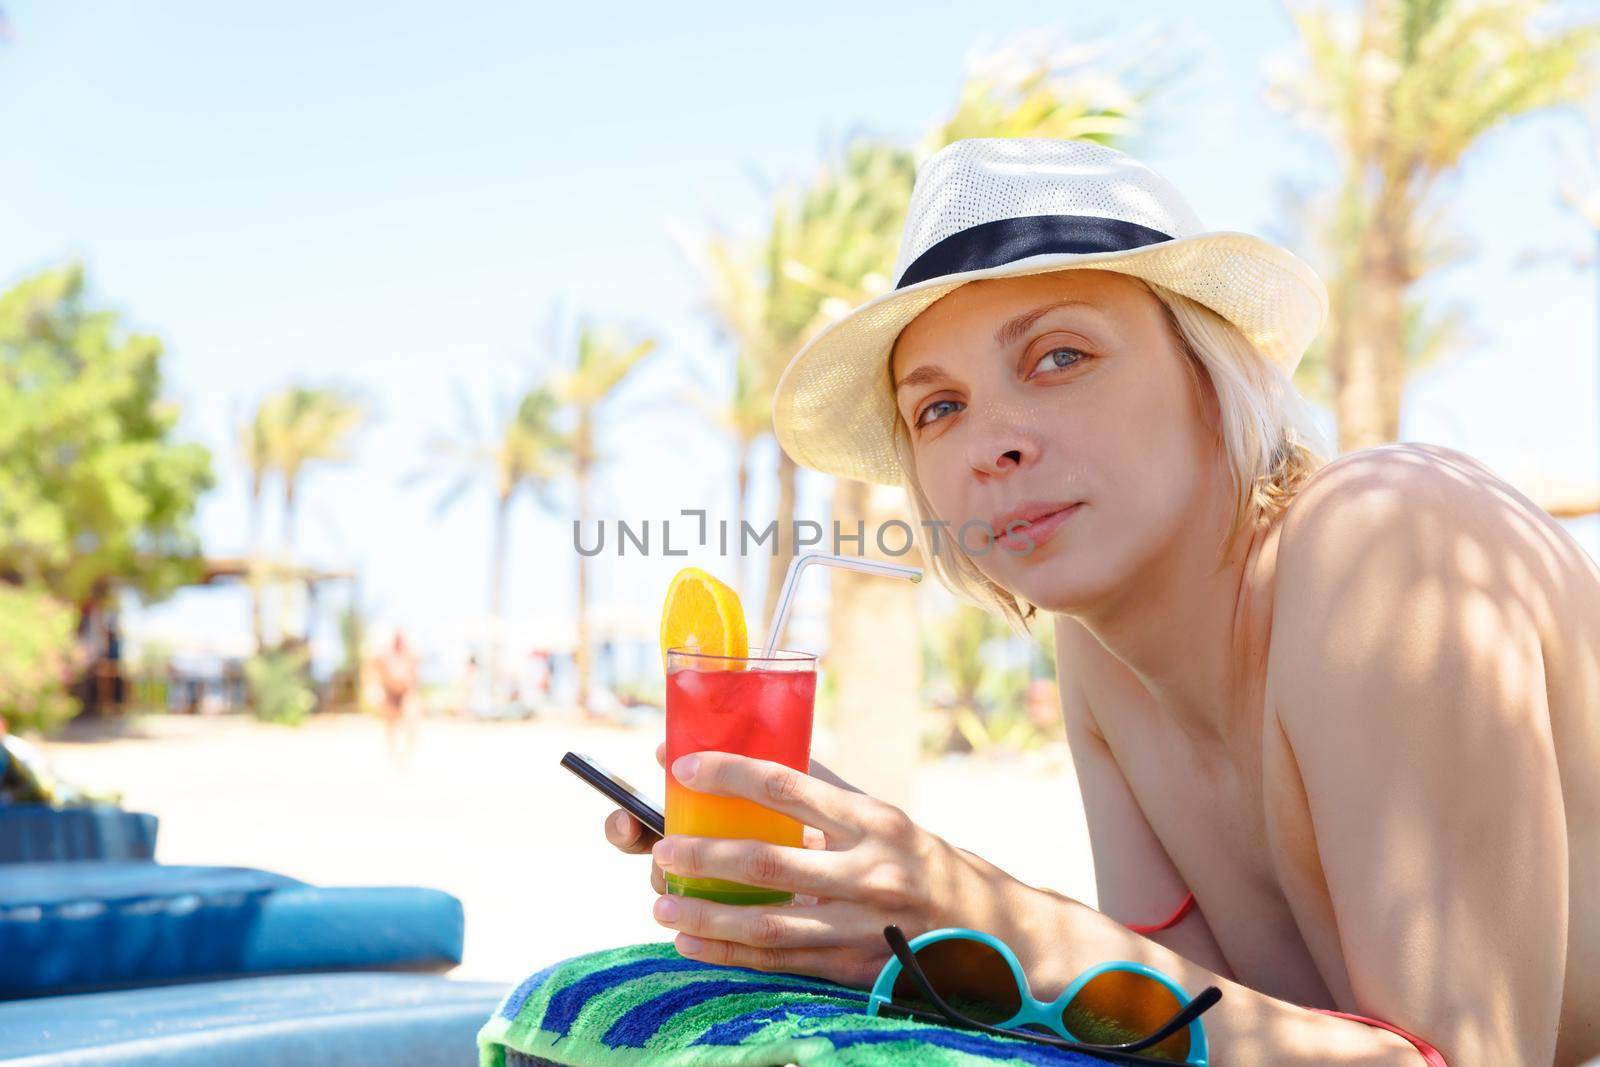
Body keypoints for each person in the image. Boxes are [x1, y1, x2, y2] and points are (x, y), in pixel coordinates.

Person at [602, 140, 1600, 1065]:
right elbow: (1199, 1032)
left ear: (1211, 375)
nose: (991, 439)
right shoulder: (1099, 653)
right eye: (937, 407)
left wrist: (981, 915)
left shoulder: (1390, 535)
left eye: (1059, 355)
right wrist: (895, 922)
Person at [371, 628, 421, 766]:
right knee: (390, 724)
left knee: (411, 720)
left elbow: (415, 674)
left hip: (406, 692)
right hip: (390, 693)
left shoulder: (410, 654)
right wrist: (376, 690)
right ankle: (392, 754)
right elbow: (372, 670)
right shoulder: (384, 655)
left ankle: (408, 755)